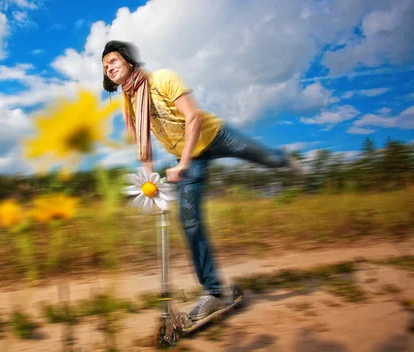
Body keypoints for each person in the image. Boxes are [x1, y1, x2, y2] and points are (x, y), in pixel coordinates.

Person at [101, 40, 303, 320]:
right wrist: (151, 180)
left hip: (215, 136)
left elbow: (193, 118)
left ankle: (286, 162)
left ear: (128, 59)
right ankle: (216, 292)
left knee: (264, 156)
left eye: (112, 60)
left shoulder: (162, 79)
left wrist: (182, 163)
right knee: (190, 221)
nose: (108, 67)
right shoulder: (129, 101)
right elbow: (141, 145)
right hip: (189, 159)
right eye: (104, 65)